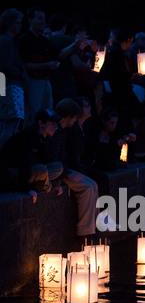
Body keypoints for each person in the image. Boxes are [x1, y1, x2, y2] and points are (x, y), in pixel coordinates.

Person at [44, 98, 99, 239]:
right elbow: (53, 157)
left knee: (93, 184)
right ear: (68, 116)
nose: (75, 120)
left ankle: (94, 225)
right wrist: (68, 174)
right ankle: (85, 232)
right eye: (74, 117)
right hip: (60, 172)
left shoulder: (62, 131)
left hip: (65, 169)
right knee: (86, 188)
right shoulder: (56, 132)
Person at [0, 108, 64, 203]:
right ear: (41, 123)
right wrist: (26, 189)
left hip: (30, 171)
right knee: (41, 170)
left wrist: (57, 181)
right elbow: (23, 164)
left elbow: (44, 160)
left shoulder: (42, 138)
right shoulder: (27, 137)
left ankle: (44, 184)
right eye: (52, 124)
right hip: (12, 173)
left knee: (58, 167)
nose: (56, 127)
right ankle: (49, 186)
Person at [16, 6, 61, 126]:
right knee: (33, 114)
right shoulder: (24, 40)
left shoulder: (43, 41)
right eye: (39, 18)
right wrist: (46, 65)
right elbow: (24, 65)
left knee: (47, 112)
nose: (43, 22)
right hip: (32, 82)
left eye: (44, 19)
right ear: (30, 20)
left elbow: (58, 53)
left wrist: (75, 45)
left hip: (45, 82)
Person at [99, 26, 144, 134]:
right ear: (129, 40)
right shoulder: (117, 53)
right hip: (120, 95)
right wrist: (131, 76)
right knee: (124, 122)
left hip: (114, 93)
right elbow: (116, 74)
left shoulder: (112, 51)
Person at [0, 8, 29, 149]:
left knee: (9, 124)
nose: (20, 26)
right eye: (18, 23)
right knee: (10, 124)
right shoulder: (7, 42)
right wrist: (21, 74)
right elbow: (5, 66)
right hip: (11, 86)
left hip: (8, 85)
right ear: (10, 24)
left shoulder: (7, 41)